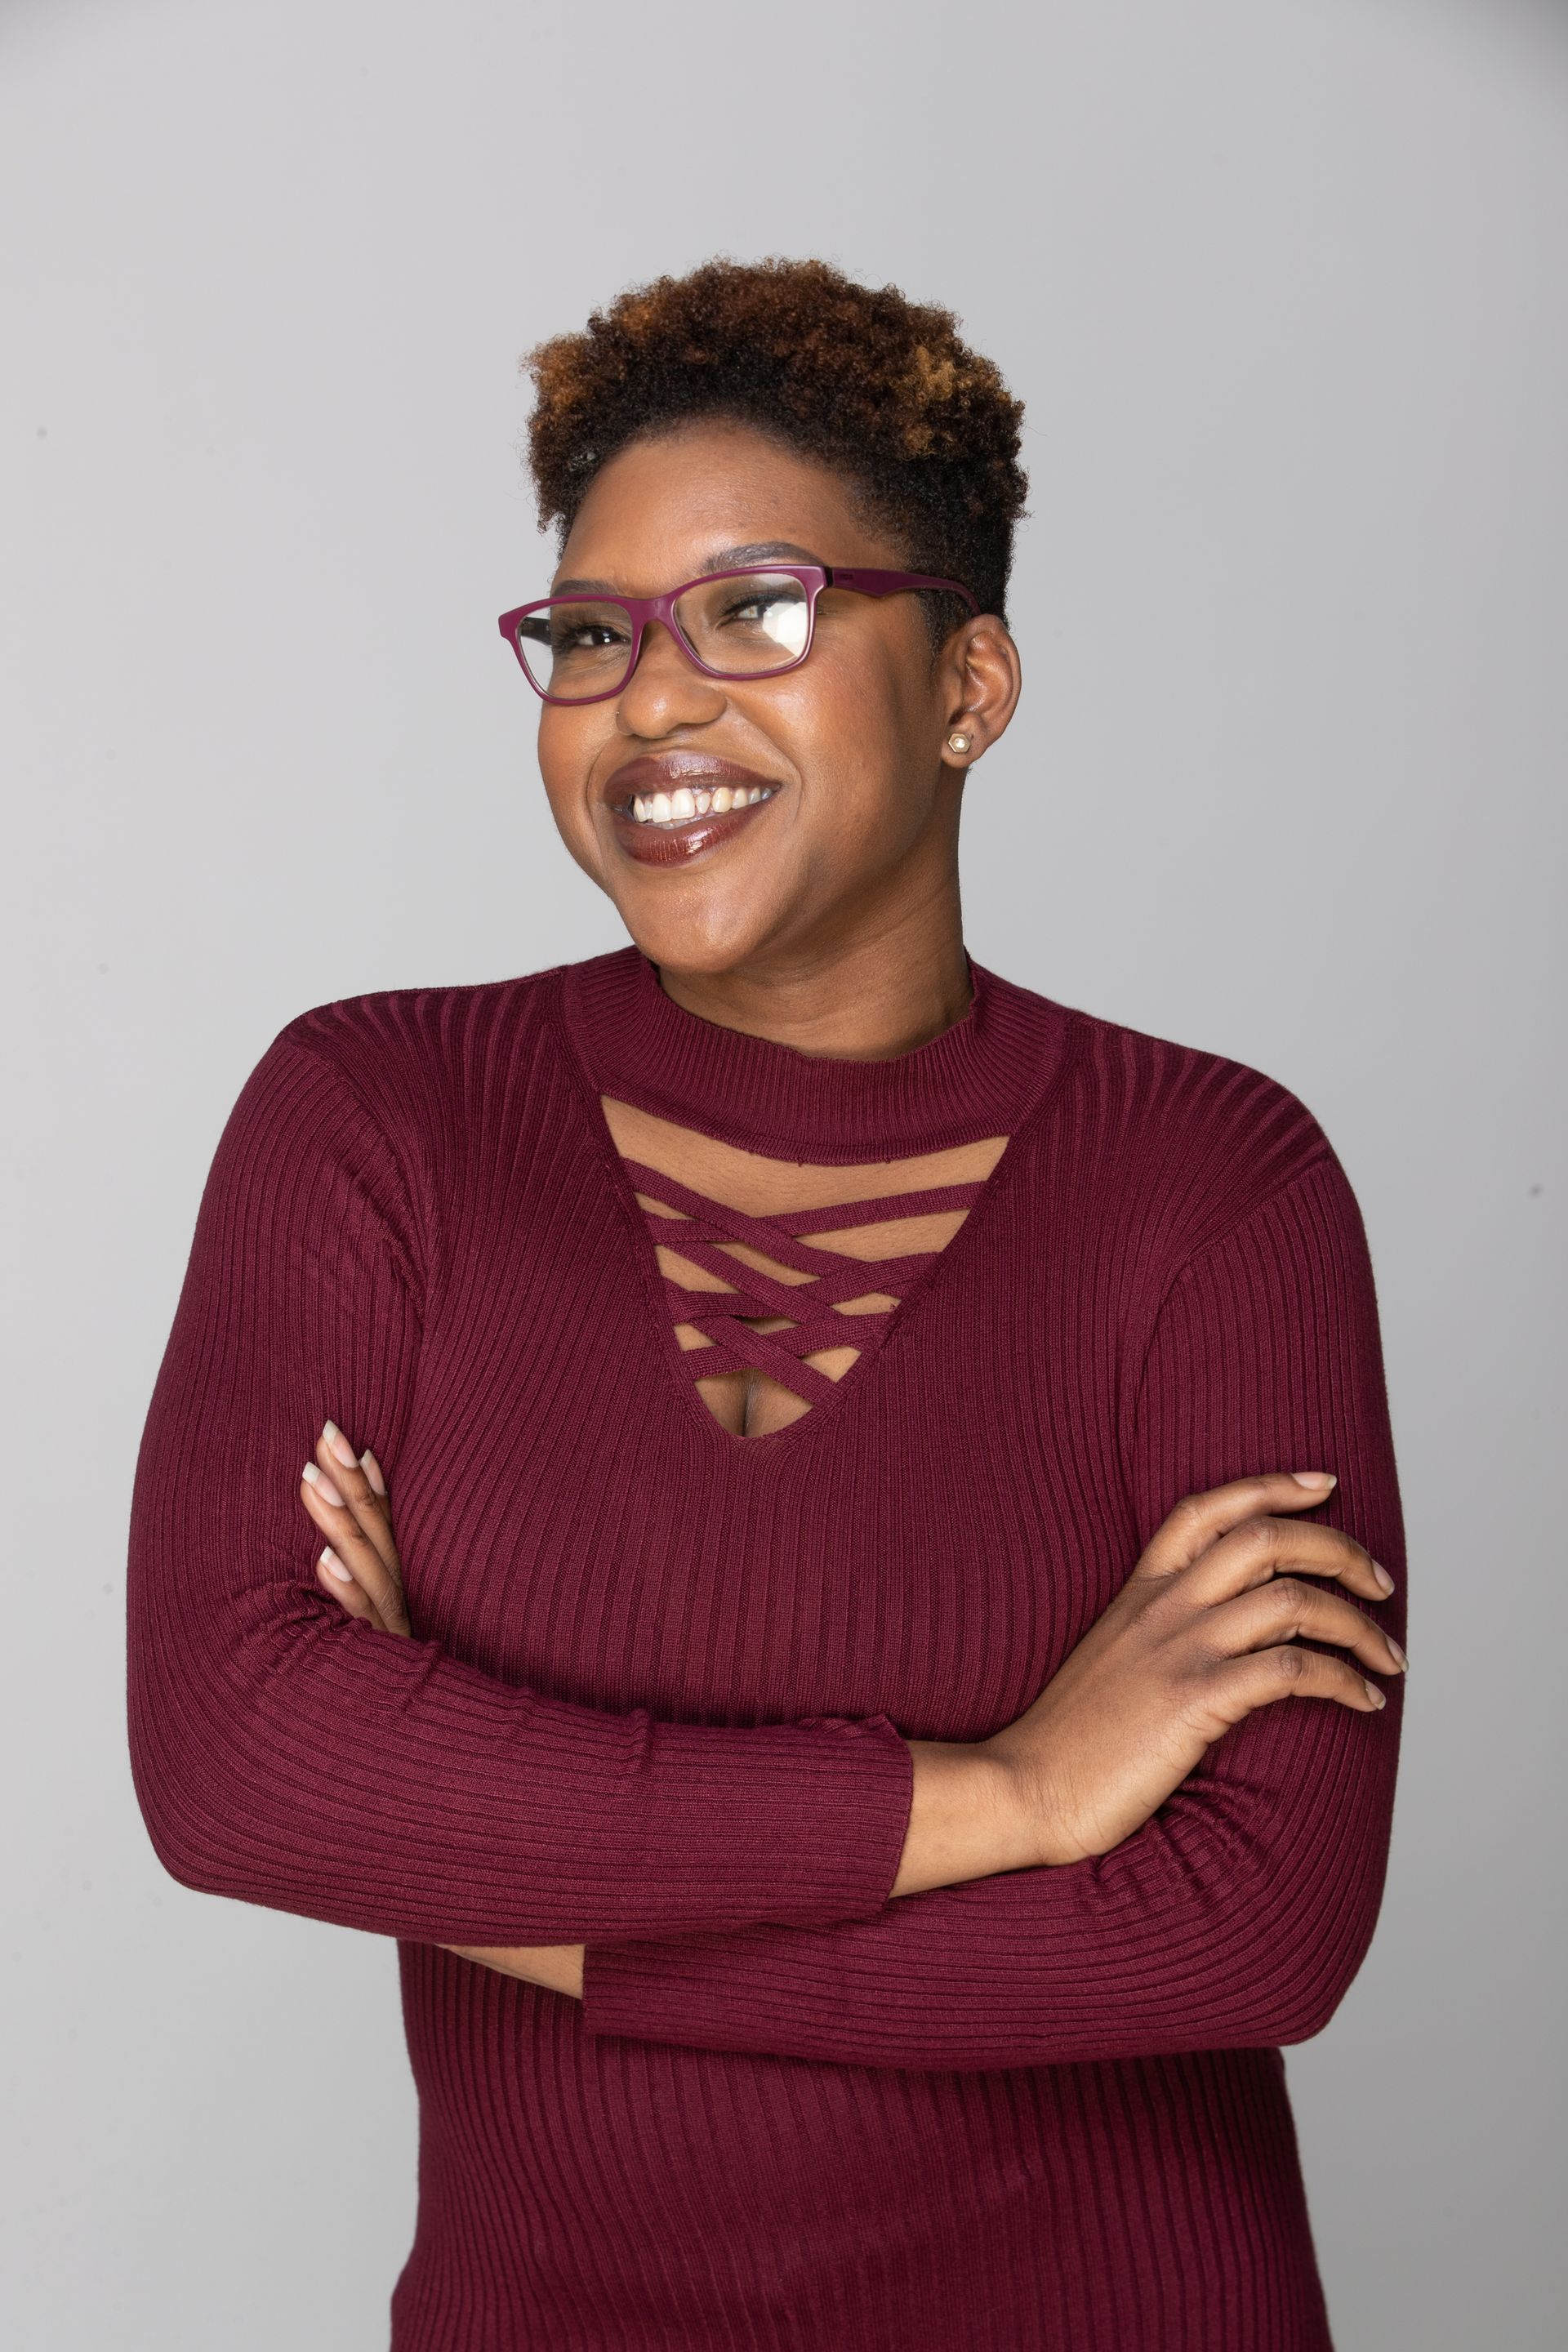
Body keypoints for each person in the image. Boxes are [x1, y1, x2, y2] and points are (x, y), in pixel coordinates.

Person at [127, 256, 1408, 2350]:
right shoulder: (377, 1121)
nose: (652, 698)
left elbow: (1241, 1937)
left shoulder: (1213, 1185)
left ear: (970, 682)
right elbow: (239, 1766)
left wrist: (518, 1889)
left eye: (759, 609)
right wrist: (1003, 1798)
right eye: (589, 634)